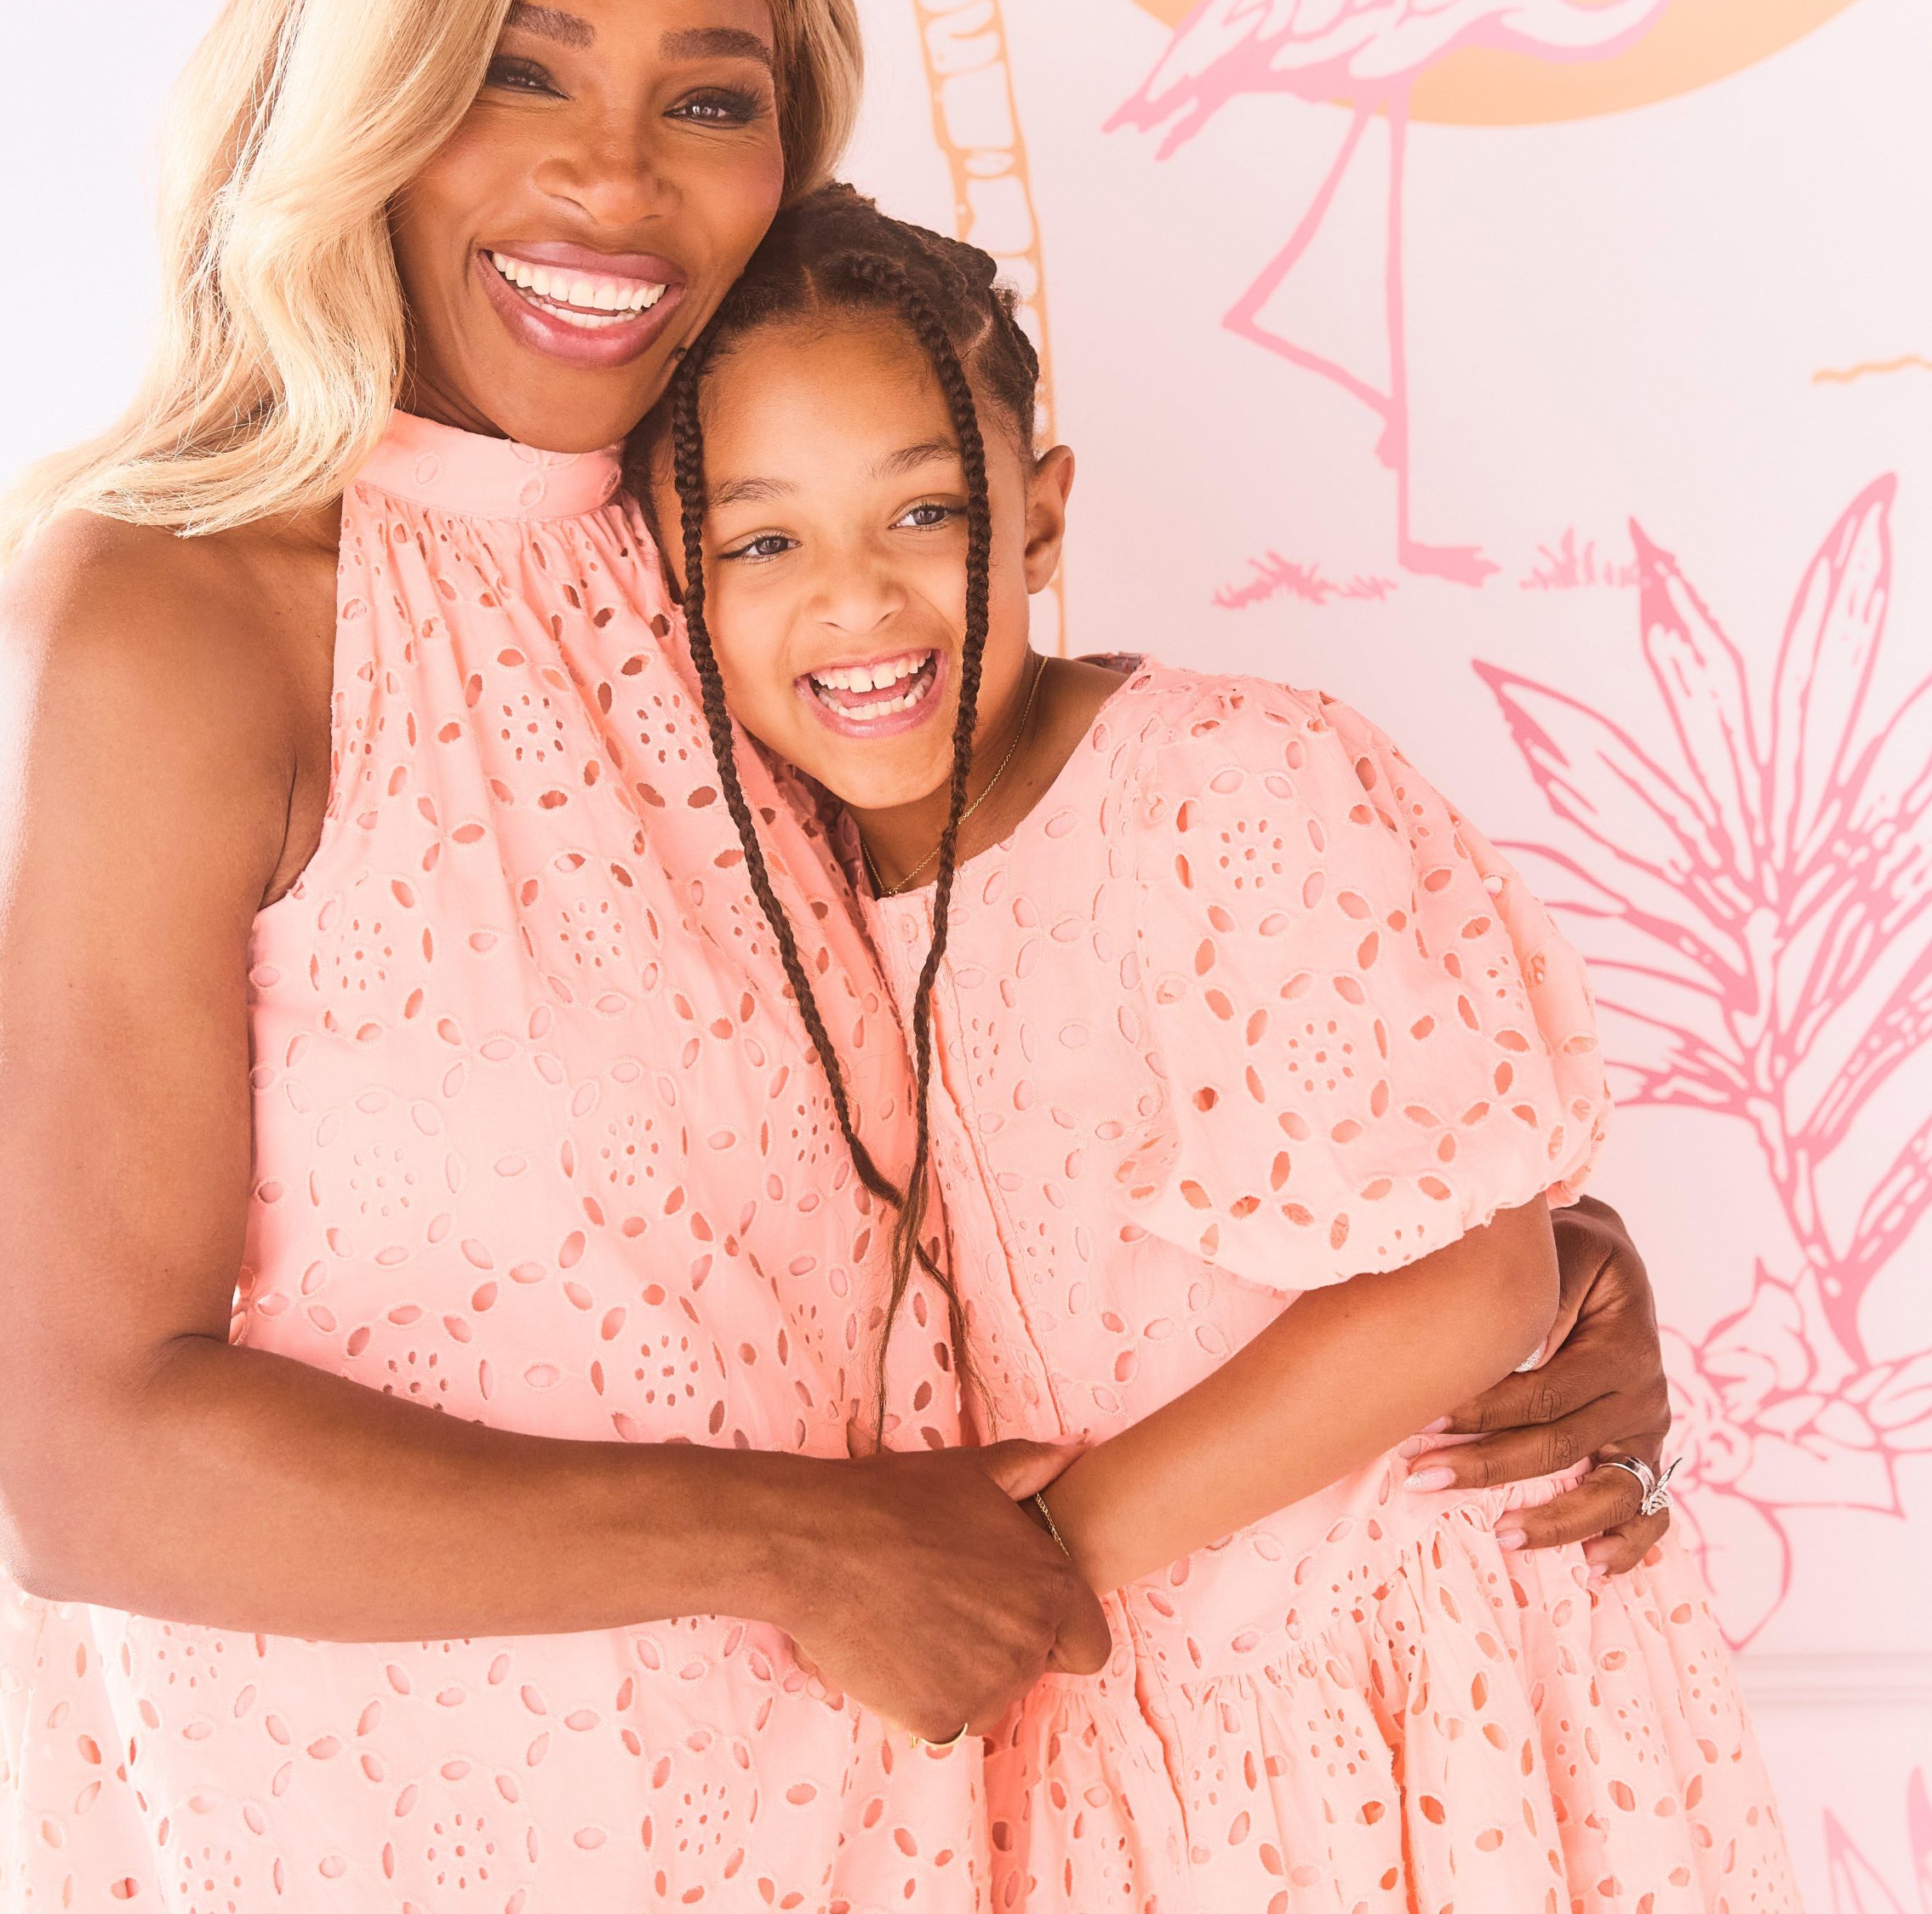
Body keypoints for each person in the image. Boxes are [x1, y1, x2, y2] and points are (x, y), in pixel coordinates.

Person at [0, 0, 1680, 1908]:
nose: (612, 175)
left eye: (707, 96)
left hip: (887, 1819)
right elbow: (81, 1457)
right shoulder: (160, 624)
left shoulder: (730, 572)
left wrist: (1516, 1264)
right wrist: (800, 1544)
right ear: (353, 91)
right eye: (515, 68)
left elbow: (1022, 1068)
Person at [641, 182, 1802, 1911]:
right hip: (1127, 1741)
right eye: (762, 542)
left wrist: (1028, 1565)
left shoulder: (1225, 786)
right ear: (671, 576)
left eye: (925, 511)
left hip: (1413, 1693)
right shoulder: (776, 902)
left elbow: (1472, 1277)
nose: (856, 597)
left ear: (1040, 516)